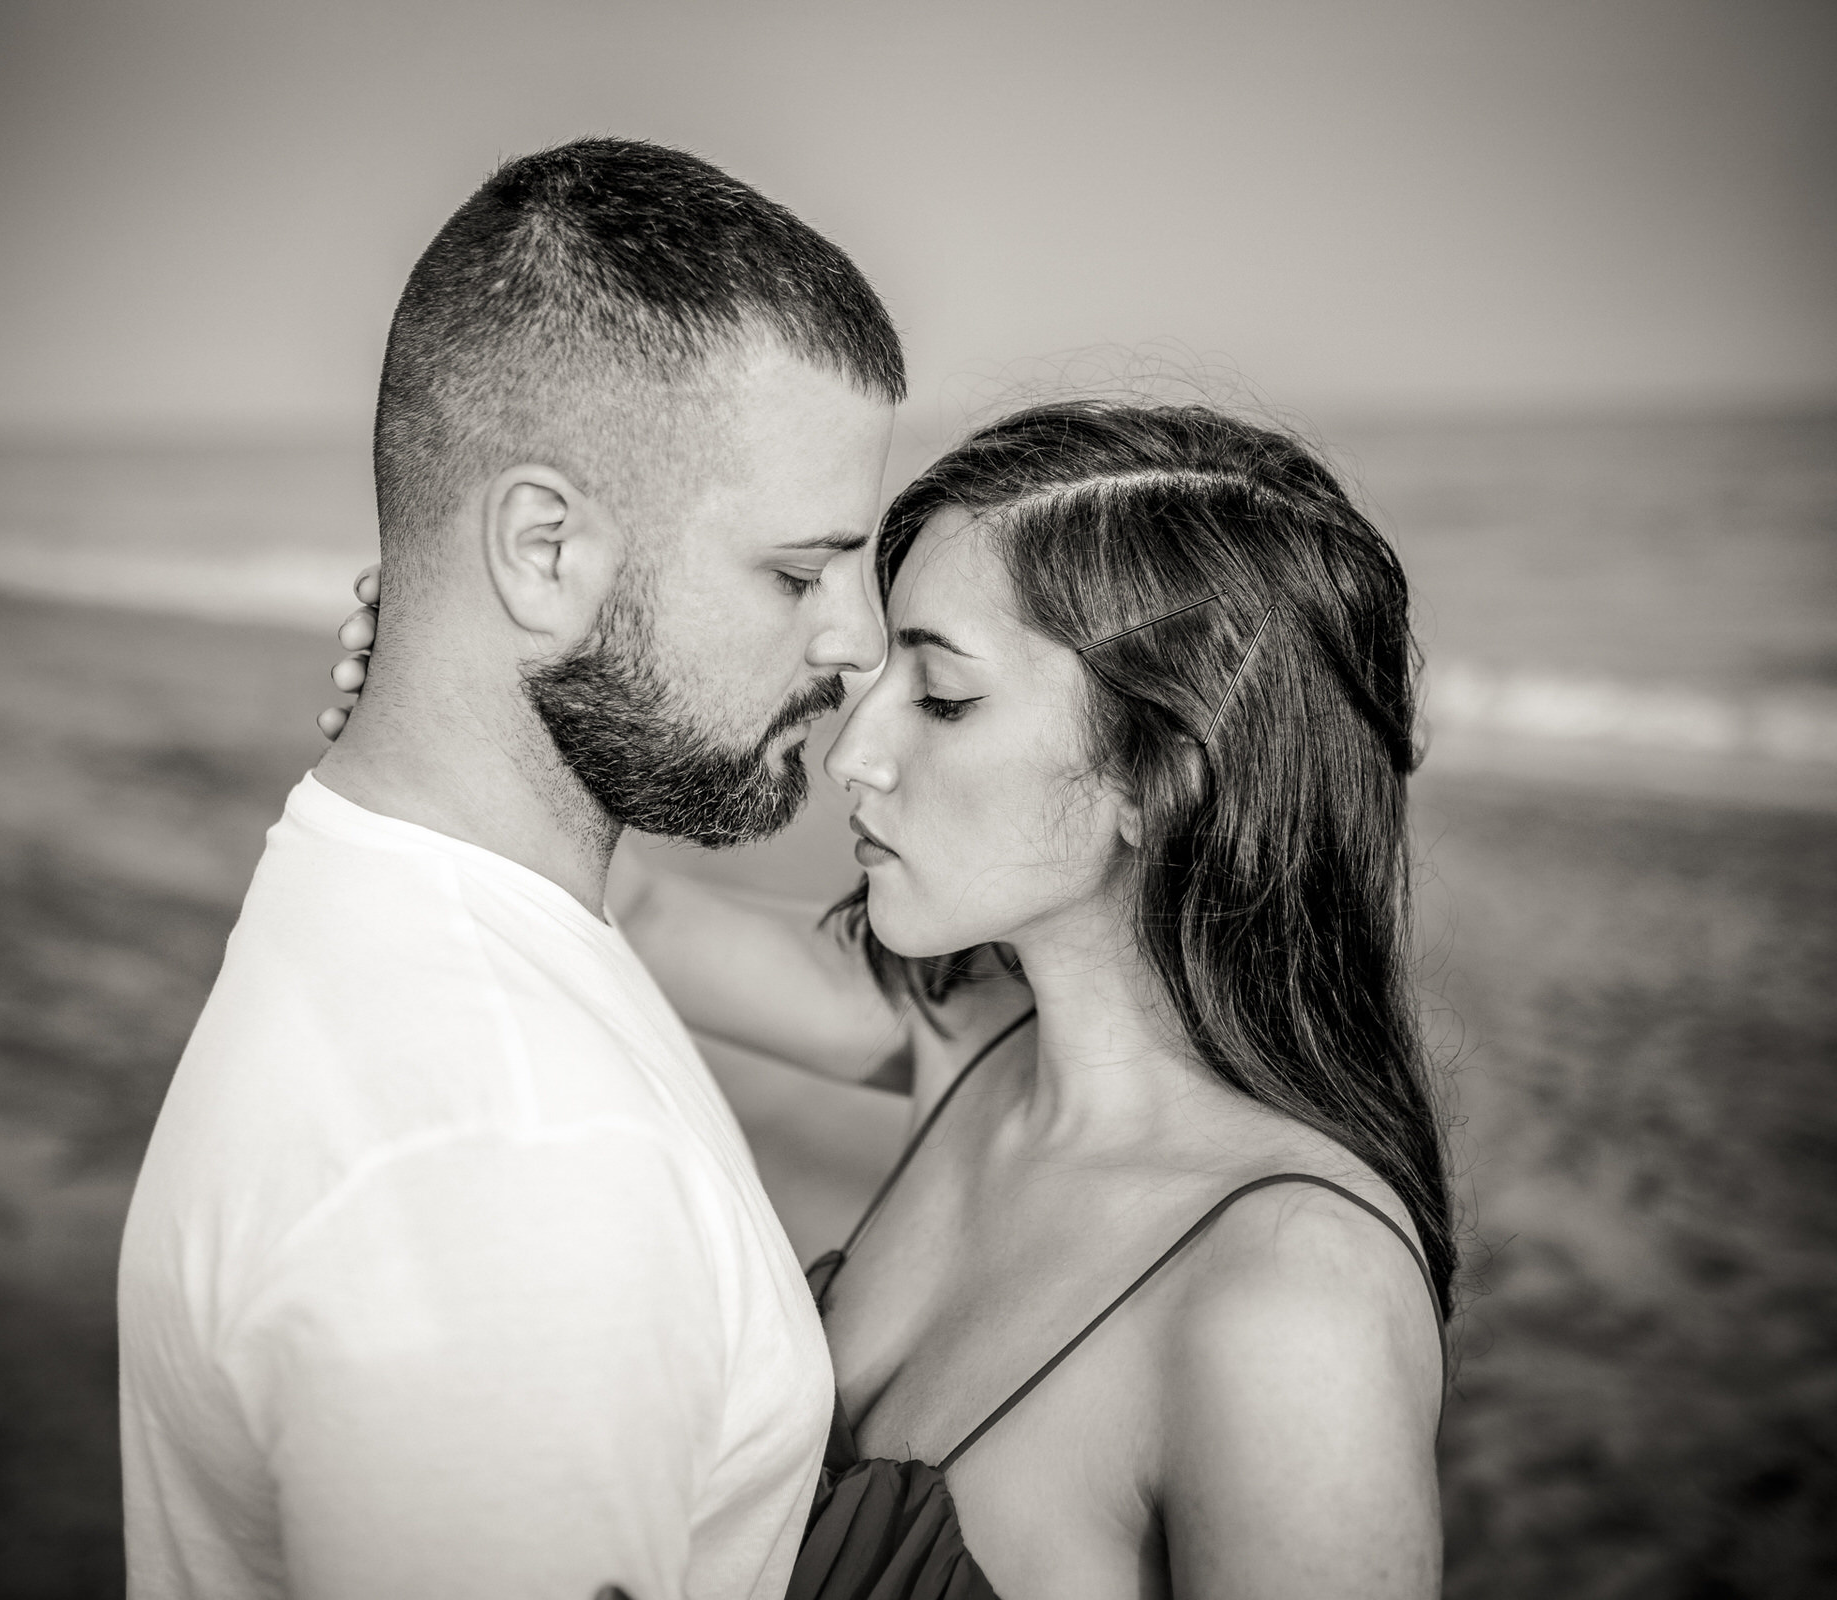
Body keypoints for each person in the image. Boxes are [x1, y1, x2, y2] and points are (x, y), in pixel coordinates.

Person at [329, 399, 1459, 1595]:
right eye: (879, 678)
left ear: (1162, 775)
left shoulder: (1293, 1306)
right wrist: (459, 704)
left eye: (944, 698)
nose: (854, 751)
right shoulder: (970, 1036)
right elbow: (632, 908)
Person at [117, 137, 904, 1600]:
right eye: (799, 573)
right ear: (542, 548)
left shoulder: (381, 887)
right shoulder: (515, 1178)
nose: (861, 643)